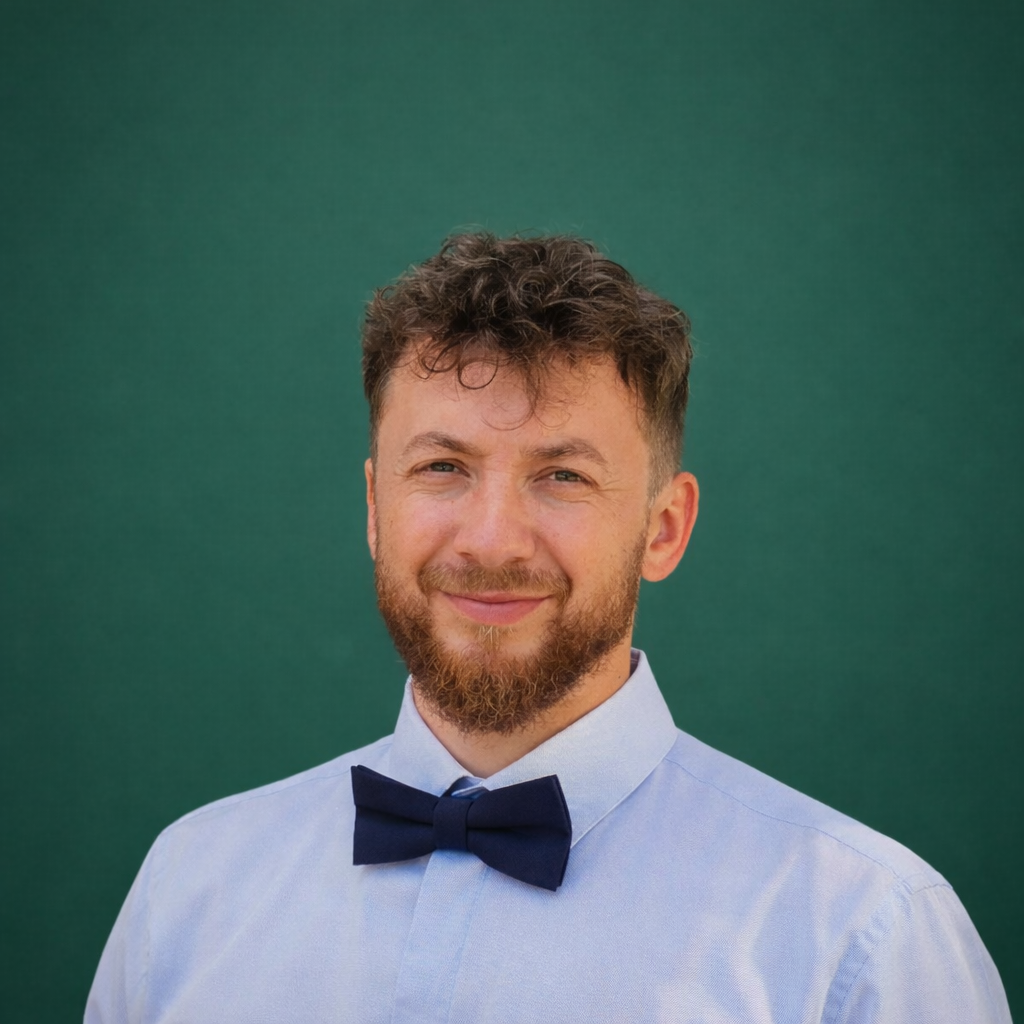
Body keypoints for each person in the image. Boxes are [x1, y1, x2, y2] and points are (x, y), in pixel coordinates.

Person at [86, 234, 1011, 1023]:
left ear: (664, 528)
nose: (492, 541)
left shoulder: (866, 934)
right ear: (375, 506)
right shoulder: (190, 890)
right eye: (443, 466)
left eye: (563, 476)